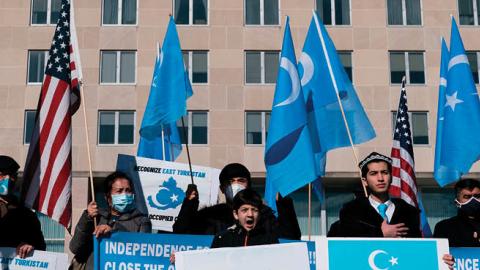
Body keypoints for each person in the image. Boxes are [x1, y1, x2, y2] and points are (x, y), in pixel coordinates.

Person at [172, 163, 301, 240]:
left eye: (240, 180)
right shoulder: (210, 216)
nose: (236, 185)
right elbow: (181, 235)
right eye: (230, 182)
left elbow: (290, 239)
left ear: (248, 185)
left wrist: (284, 203)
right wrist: (189, 204)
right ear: (222, 189)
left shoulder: (264, 215)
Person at [327, 152, 421, 238]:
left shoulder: (409, 212)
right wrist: (381, 234)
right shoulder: (351, 211)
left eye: (384, 172)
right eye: (373, 174)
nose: (380, 178)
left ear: (391, 178)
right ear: (365, 181)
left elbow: (418, 247)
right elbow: (348, 243)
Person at [69, 171, 151, 269]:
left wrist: (113, 234)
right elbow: (75, 248)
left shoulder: (142, 221)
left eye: (128, 190)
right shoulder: (96, 217)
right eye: (119, 191)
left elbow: (142, 254)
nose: (125, 195)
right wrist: (87, 217)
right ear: (108, 198)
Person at [0, 155, 46, 258]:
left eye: (11, 175)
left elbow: (41, 246)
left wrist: (29, 245)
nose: (8, 179)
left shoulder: (27, 215)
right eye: (2, 174)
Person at [211, 189, 279, 248]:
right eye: (245, 210)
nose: (250, 214)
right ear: (236, 214)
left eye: (254, 210)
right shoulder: (222, 239)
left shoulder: (270, 240)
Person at [434, 178, 480, 247]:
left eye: (477, 196)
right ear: (457, 202)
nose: (473, 200)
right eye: (467, 197)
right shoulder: (444, 227)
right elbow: (439, 254)